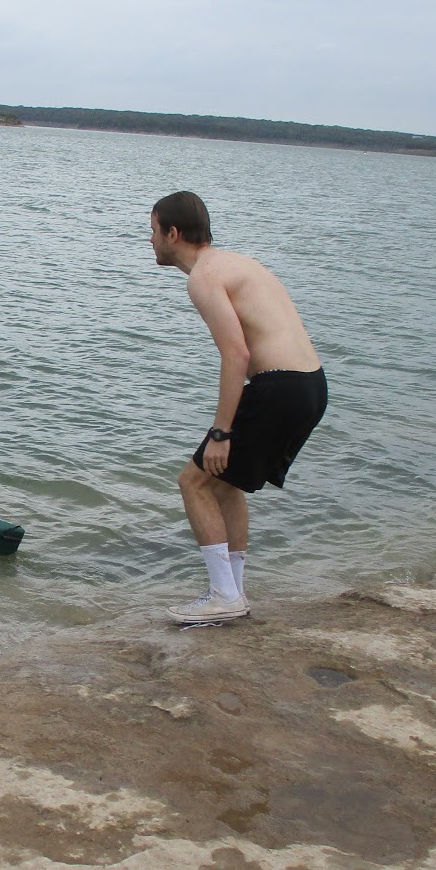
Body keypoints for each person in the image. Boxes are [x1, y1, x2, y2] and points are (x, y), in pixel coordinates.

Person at [149, 191, 328, 623]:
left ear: (173, 234)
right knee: (224, 485)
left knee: (194, 483)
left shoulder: (204, 277)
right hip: (311, 387)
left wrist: (220, 433)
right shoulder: (238, 263)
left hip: (279, 385)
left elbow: (237, 355)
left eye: (152, 232)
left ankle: (224, 597)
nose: (149, 241)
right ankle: (233, 593)